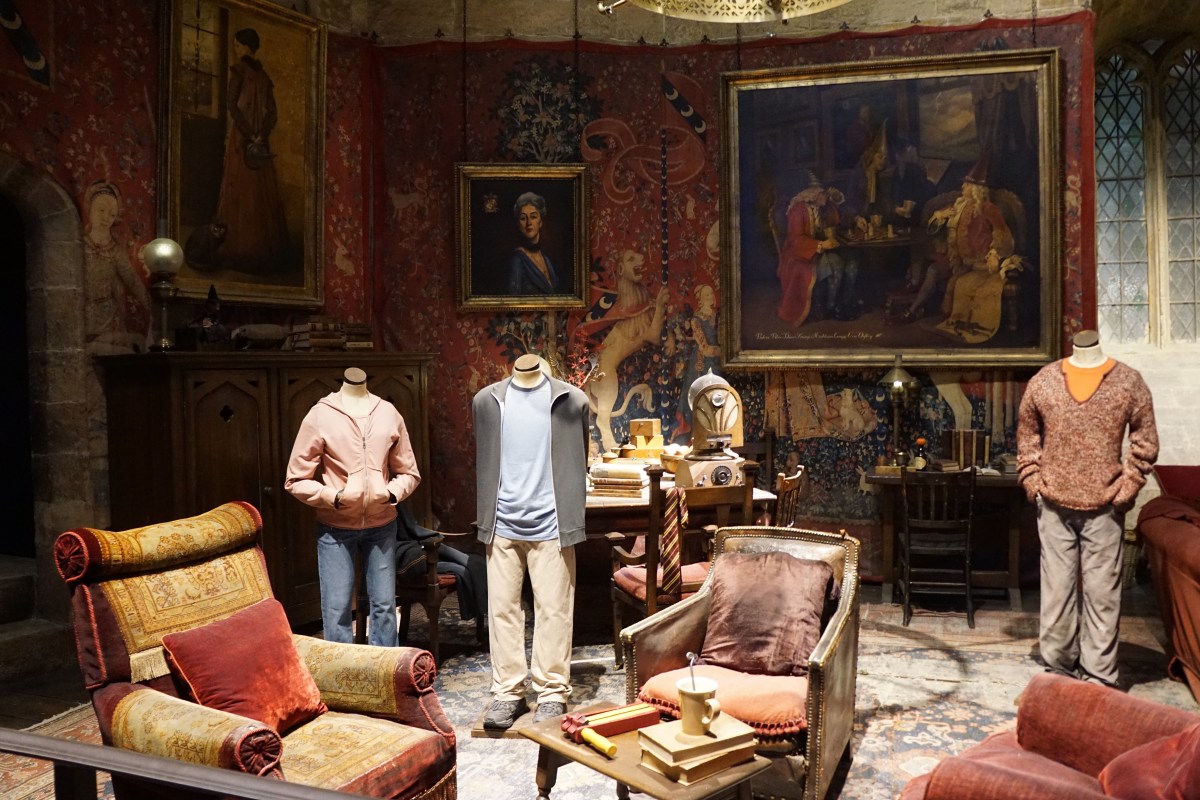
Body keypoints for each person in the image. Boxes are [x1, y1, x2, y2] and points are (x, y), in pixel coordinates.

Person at [1017, 330, 1158, 688]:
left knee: (1102, 595)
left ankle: (1099, 677)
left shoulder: (1128, 382)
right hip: (1053, 505)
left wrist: (1127, 489)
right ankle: (1059, 671)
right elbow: (1027, 435)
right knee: (1057, 593)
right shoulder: (1045, 381)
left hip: (1106, 507)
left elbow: (1145, 441)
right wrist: (1033, 481)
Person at [473, 354, 589, 729]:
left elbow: (580, 456)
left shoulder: (571, 400)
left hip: (552, 522)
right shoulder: (487, 401)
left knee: (554, 610)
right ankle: (508, 693)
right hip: (502, 522)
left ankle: (552, 692)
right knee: (502, 610)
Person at [285, 367, 421, 646]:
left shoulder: (388, 413)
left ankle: (385, 668)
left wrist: (391, 493)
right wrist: (334, 496)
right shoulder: (320, 415)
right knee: (336, 611)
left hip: (382, 524)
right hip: (335, 528)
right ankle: (342, 671)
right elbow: (295, 479)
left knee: (385, 607)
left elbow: (410, 472)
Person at [898, 165, 1015, 323]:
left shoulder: (989, 208)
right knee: (933, 270)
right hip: (957, 259)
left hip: (979, 262)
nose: (962, 186)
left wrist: (994, 254)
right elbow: (931, 230)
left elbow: (1003, 234)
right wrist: (940, 216)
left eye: (966, 184)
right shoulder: (959, 205)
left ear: (976, 188)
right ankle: (913, 309)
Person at [214, 27, 289, 273]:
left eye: (237, 45)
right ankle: (256, 247)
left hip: (243, 138)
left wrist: (249, 134)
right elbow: (272, 114)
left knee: (244, 187)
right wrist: (260, 134)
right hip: (255, 138)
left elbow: (231, 105)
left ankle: (243, 248)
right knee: (254, 188)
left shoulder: (241, 71)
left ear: (247, 47)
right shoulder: (264, 76)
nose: (235, 49)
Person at [83, 180, 151, 354]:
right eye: (101, 210)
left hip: (107, 318)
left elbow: (132, 280)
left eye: (112, 214)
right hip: (81, 313)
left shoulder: (115, 250)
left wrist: (152, 309)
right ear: (89, 209)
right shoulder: (79, 245)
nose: (106, 218)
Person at [776, 173, 851, 325]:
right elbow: (795, 240)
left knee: (842, 262)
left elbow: (836, 220)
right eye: (823, 193)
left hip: (816, 251)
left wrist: (836, 199)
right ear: (812, 194)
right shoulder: (798, 210)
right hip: (798, 255)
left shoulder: (820, 207)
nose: (826, 196)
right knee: (836, 264)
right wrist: (820, 245)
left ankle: (833, 305)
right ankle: (827, 307)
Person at [506, 192, 559, 294]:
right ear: (518, 224)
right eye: (523, 218)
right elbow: (513, 300)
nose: (529, 223)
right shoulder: (517, 259)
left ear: (541, 222)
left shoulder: (546, 257)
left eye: (533, 217)